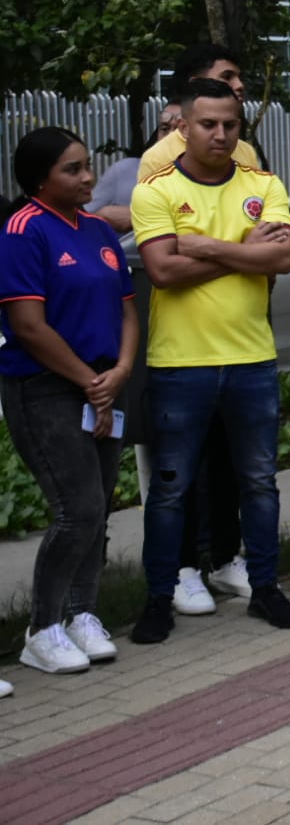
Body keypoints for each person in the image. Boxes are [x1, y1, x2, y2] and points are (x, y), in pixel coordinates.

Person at [129, 78, 290, 643]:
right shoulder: (154, 190)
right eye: (208, 124)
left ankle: (266, 588)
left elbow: (280, 257)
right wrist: (243, 251)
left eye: (231, 124)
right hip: (180, 363)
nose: (222, 134)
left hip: (252, 360)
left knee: (259, 482)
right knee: (172, 486)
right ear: (183, 126)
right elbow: (161, 271)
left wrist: (202, 244)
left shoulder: (264, 183)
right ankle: (159, 597)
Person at [0, 129, 138, 679]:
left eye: (87, 167)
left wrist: (120, 372)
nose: (87, 178)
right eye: (72, 170)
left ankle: (83, 613)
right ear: (40, 179)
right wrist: (88, 381)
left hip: (104, 383)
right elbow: (29, 327)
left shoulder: (99, 230)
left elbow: (128, 309)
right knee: (75, 508)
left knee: (98, 508)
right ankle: (43, 628)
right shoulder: (21, 231)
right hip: (46, 388)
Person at [137, 45, 259, 179]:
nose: (239, 85)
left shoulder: (246, 152)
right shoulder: (157, 158)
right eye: (227, 76)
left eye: (229, 125)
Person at [87, 100, 182, 233]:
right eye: (165, 129)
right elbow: (82, 221)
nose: (171, 137)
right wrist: (99, 217)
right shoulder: (124, 171)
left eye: (182, 130)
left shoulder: (215, 181)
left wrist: (138, 217)